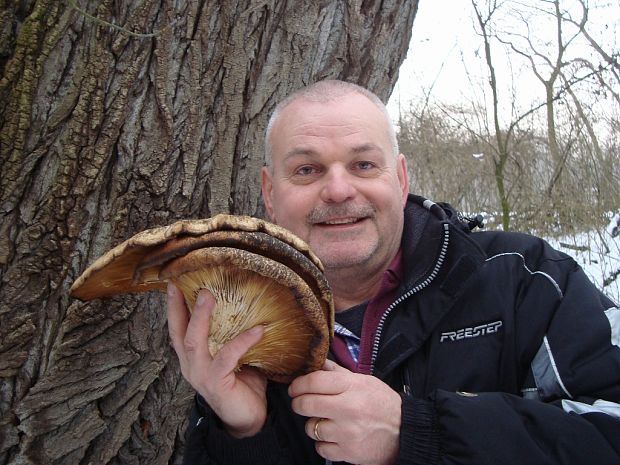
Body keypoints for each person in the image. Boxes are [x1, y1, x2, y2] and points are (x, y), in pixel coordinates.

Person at [166, 80, 620, 465]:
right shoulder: (236, 324)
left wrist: (420, 432)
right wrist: (246, 434)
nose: (339, 189)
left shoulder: (529, 279)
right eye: (307, 169)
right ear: (270, 191)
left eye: (364, 164)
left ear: (401, 178)